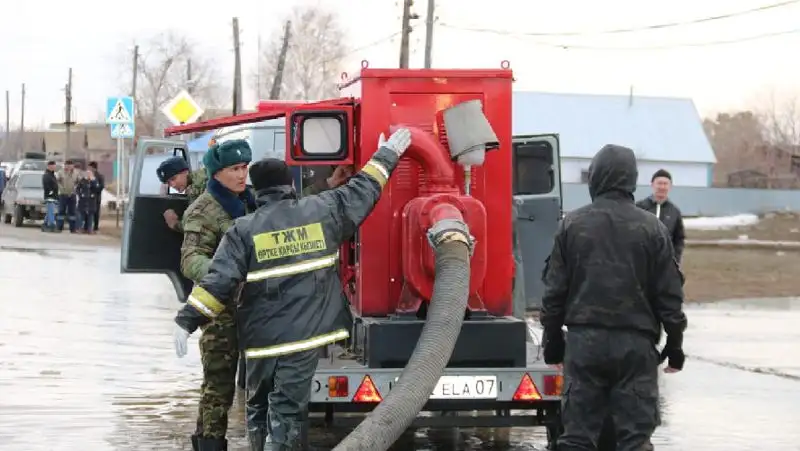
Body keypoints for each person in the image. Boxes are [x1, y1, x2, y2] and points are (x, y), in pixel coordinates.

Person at [173, 128, 412, 451]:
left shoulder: (246, 222)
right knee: (253, 400)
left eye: (246, 168)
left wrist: (187, 318)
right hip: (277, 327)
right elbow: (361, 190)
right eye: (234, 169)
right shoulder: (209, 211)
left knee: (260, 407)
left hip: (258, 335)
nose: (242, 175)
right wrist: (386, 155)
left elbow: (221, 275)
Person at [540, 144, 688, 451]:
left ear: (595, 178)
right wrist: (674, 345)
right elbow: (670, 296)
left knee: (577, 437)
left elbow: (554, 293)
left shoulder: (572, 225)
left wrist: (553, 344)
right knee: (635, 440)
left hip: (584, 345)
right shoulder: (654, 229)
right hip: (636, 348)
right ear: (631, 180)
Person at [636, 169, 686, 263]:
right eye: (659, 183)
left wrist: (675, 259)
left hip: (664, 264)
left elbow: (679, 238)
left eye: (665, 184)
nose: (662, 187)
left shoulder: (674, 211)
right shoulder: (639, 208)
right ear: (652, 184)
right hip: (641, 262)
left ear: (670, 186)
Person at [156, 156, 208, 232]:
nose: (172, 185)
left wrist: (175, 224)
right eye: (168, 183)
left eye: (173, 179)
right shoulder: (197, 181)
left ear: (185, 172)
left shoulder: (197, 187)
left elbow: (200, 227)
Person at [55, 160, 80, 233]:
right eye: (67, 165)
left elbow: (79, 182)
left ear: (73, 166)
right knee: (61, 211)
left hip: (72, 195)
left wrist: (75, 189)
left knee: (72, 212)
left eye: (70, 165)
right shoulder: (60, 172)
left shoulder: (76, 173)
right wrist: (61, 189)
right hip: (63, 194)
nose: (69, 167)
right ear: (65, 165)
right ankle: (59, 227)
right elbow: (57, 182)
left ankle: (73, 229)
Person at [75, 169, 101, 234]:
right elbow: (77, 188)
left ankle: (90, 229)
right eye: (87, 174)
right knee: (81, 215)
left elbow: (97, 189)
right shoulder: (83, 180)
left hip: (91, 200)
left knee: (90, 216)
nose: (88, 175)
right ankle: (80, 228)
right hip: (83, 200)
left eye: (90, 174)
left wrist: (93, 181)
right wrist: (80, 195)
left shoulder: (95, 181)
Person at [41, 161, 59, 232]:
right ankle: (52, 225)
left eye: (54, 166)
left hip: (54, 196)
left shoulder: (52, 175)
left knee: (49, 212)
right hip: (49, 197)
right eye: (52, 166)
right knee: (51, 211)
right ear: (49, 166)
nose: (54, 168)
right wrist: (51, 192)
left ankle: (45, 224)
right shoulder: (46, 175)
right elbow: (46, 186)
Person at [87, 161, 105, 231]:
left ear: (93, 168)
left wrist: (95, 190)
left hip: (96, 197)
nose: (88, 169)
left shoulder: (100, 176)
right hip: (88, 196)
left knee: (96, 212)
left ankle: (96, 226)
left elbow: (101, 186)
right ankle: (88, 226)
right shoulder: (88, 175)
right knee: (88, 211)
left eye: (90, 167)